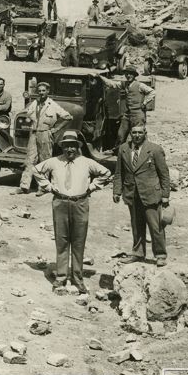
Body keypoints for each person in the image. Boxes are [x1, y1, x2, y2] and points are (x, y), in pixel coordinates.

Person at [33, 132, 112, 294]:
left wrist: (92, 187)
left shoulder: (86, 162)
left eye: (72, 145)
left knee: (78, 241)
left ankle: (77, 278)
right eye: (66, 145)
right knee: (62, 241)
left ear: (77, 147)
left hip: (80, 203)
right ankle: (61, 278)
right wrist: (48, 186)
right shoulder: (54, 162)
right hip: (60, 203)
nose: (69, 149)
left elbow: (106, 173)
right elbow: (36, 170)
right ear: (62, 147)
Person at [112, 125, 171, 267]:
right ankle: (138, 253)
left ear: (145, 133)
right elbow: (119, 172)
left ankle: (160, 255)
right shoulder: (124, 149)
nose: (137, 135)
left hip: (151, 193)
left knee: (155, 226)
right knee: (136, 226)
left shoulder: (155, 149)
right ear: (130, 134)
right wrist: (117, 191)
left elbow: (164, 173)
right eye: (134, 133)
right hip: (132, 193)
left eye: (140, 132)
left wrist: (165, 195)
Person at [17, 82, 71, 194]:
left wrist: (56, 129)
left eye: (43, 91)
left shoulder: (52, 105)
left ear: (47, 92)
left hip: (45, 134)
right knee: (29, 160)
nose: (41, 93)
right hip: (33, 133)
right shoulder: (34, 103)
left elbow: (68, 117)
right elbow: (27, 111)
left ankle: (43, 188)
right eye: (39, 91)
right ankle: (24, 186)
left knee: (44, 161)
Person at [103, 67, 156, 142]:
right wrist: (101, 77)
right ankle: (119, 151)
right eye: (126, 74)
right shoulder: (124, 84)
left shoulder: (140, 85)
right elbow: (112, 84)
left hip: (138, 114)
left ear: (134, 75)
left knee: (139, 135)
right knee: (120, 134)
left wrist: (145, 102)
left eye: (130, 74)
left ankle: (143, 151)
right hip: (128, 114)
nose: (128, 75)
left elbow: (152, 92)